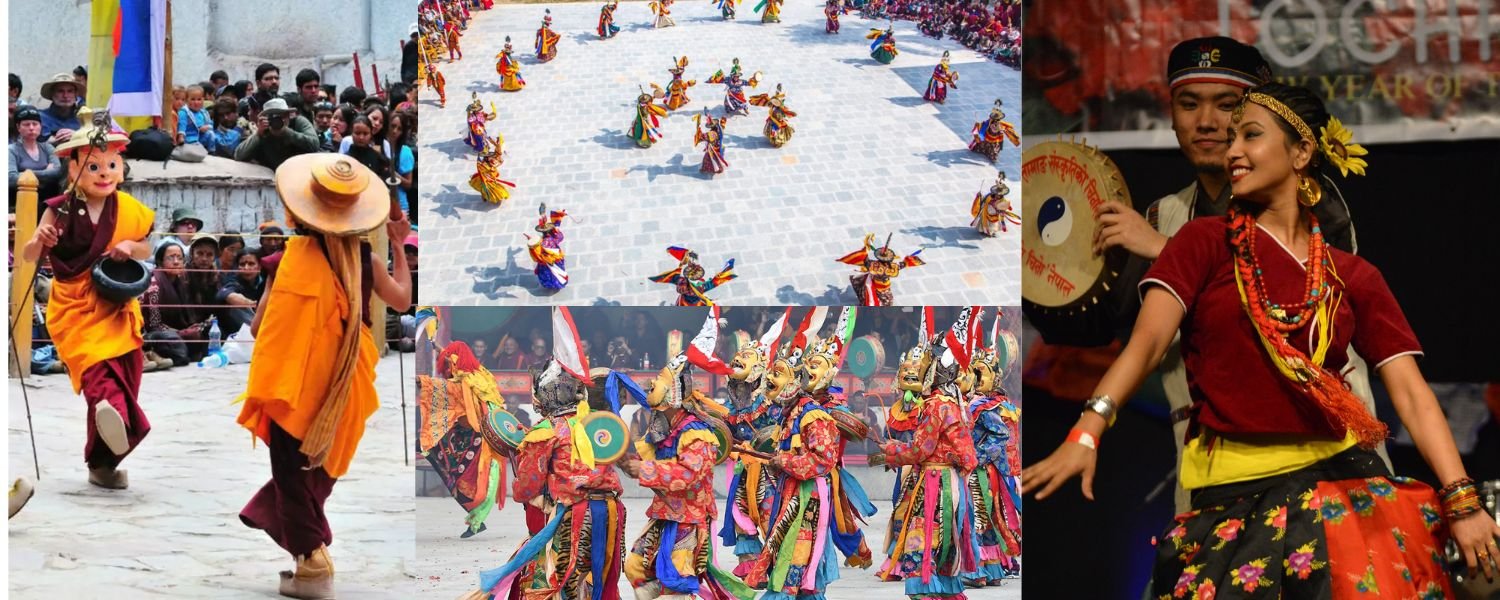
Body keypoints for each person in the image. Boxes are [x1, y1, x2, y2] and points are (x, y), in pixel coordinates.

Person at [1024, 82, 1500, 597]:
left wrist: (1463, 501)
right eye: (1232, 138)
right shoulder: (1200, 243)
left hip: (1342, 486)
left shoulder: (1353, 275)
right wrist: (1086, 431)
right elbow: (1145, 345)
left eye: (1250, 135)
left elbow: (1410, 393)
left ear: (1301, 152)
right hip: (1230, 497)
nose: (1232, 151)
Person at [237, 154, 412, 598]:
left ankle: (311, 564)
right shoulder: (365, 258)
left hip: (291, 385)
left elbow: (259, 329)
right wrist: (397, 243)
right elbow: (403, 301)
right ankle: (306, 554)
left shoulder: (286, 260)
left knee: (292, 473)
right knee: (309, 473)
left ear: (298, 212)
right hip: (344, 386)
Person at [20, 108, 153, 489]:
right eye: (94, 167)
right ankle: (108, 412)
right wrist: (39, 241)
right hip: (76, 306)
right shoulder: (59, 208)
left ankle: (102, 465)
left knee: (126, 376)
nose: (105, 173)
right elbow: (30, 255)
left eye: (112, 164)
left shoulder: (127, 207)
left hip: (118, 306)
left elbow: (147, 246)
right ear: (74, 166)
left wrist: (130, 245)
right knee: (97, 370)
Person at [615, 311, 753, 600]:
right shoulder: (664, 424)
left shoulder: (697, 433)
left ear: (674, 394)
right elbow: (645, 457)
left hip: (689, 518)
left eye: (659, 382)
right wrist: (622, 456)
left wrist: (644, 471)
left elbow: (688, 475)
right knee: (636, 568)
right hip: (665, 514)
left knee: (677, 579)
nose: (652, 386)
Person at [468, 357, 628, 600]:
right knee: (598, 582)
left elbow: (526, 488)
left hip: (577, 516)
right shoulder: (593, 421)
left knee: (563, 584)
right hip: (612, 512)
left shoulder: (546, 431)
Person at [746, 309, 875, 597]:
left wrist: (785, 460)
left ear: (795, 380)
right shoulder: (790, 412)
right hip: (792, 491)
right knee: (795, 561)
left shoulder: (812, 415)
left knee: (792, 560)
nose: (770, 379)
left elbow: (823, 459)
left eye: (777, 374)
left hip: (809, 498)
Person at [873, 312, 980, 599]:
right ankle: (944, 589)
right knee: (944, 540)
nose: (919, 367)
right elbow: (968, 455)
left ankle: (924, 589)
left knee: (922, 539)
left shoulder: (935, 406)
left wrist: (894, 453)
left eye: (925, 363)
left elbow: (921, 449)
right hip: (952, 482)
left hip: (935, 481)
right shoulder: (953, 405)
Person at [718, 309, 788, 572]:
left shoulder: (772, 405)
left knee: (772, 517)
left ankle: (777, 566)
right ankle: (750, 569)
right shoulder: (731, 405)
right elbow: (724, 434)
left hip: (769, 472)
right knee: (741, 518)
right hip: (742, 471)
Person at [418, 341, 511, 538]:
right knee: (470, 478)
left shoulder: (465, 383)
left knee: (474, 480)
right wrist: (438, 347)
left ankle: (476, 520)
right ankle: (476, 520)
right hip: (484, 433)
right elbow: (453, 359)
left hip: (480, 438)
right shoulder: (481, 373)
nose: (449, 368)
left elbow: (447, 387)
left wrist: (422, 381)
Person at [962, 311, 1021, 585]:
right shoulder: (977, 404)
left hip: (981, 472)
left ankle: (980, 571)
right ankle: (991, 571)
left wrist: (977, 457)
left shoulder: (986, 408)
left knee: (978, 518)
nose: (974, 377)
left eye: (979, 373)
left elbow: (1000, 435)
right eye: (971, 372)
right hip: (981, 471)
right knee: (983, 519)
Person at [836, 233, 924, 306]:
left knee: (868, 295)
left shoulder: (873, 265)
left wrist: (866, 248)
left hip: (875, 283)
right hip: (885, 287)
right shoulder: (893, 267)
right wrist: (909, 260)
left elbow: (865, 260)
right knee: (887, 301)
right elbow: (903, 264)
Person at [235, 98, 320, 170]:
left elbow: (315, 144)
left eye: (282, 116)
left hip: (300, 171)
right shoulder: (263, 132)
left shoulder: (298, 122)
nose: (278, 120)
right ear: (266, 118)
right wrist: (258, 134)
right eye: (273, 117)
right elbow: (238, 155)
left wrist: (287, 132)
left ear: (288, 115)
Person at [9, 107, 63, 209]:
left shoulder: (47, 147)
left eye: (35, 124)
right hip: (19, 202)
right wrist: (45, 172)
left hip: (47, 200)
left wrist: (25, 173)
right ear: (18, 127)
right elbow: (11, 178)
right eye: (26, 124)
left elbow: (57, 172)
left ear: (40, 126)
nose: (31, 128)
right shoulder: (11, 150)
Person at [648, 247, 737, 306]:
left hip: (689, 302)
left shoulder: (686, 282)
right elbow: (715, 282)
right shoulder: (697, 285)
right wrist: (727, 270)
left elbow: (714, 282)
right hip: (690, 302)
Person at [216, 248, 265, 336]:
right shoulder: (234, 281)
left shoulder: (265, 283)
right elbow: (223, 293)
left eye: (251, 264)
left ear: (259, 266)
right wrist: (250, 303)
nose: (246, 268)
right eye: (242, 264)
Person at [524, 205, 567, 290]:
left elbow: (538, 253)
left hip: (548, 260)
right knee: (556, 272)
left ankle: (552, 284)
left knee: (550, 273)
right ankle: (557, 284)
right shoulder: (554, 237)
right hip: (555, 259)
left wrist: (532, 241)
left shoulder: (543, 241)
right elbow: (557, 228)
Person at [37, 73, 85, 144]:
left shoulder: (85, 117)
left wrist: (77, 136)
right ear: (52, 94)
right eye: (60, 91)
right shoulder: (39, 117)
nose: (65, 96)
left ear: (76, 94)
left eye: (70, 91)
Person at [967, 99, 1018, 164]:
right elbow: (984, 125)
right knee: (984, 143)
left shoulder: (1000, 124)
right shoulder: (989, 122)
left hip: (995, 138)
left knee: (993, 148)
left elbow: (1000, 129)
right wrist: (978, 125)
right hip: (988, 135)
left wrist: (1002, 130)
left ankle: (991, 155)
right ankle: (984, 150)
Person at [470, 134, 516, 205]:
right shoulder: (482, 161)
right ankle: (487, 196)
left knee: (489, 188)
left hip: (490, 175)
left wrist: (497, 144)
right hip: (486, 178)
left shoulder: (490, 156)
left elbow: (498, 154)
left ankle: (487, 195)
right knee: (488, 188)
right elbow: (482, 167)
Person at [971, 171, 1017, 237]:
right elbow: (983, 200)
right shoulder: (989, 197)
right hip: (986, 213)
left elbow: (1005, 207)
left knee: (993, 225)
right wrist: (980, 196)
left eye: (999, 195)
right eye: (997, 194)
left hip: (995, 215)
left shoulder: (1003, 200)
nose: (998, 196)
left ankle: (991, 232)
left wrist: (1002, 211)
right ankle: (983, 230)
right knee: (985, 223)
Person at [176, 86, 215, 152]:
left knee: (211, 134)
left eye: (199, 99)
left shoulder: (204, 112)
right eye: (193, 99)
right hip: (190, 138)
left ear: (203, 100)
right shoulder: (184, 112)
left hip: (201, 137)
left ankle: (211, 152)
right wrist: (181, 137)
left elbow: (211, 124)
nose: (196, 102)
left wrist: (207, 127)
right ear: (186, 100)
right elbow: (182, 125)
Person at [693, 110, 729, 176]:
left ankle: (709, 168)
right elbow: (722, 125)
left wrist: (698, 132)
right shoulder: (719, 128)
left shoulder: (712, 133)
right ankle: (714, 168)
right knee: (712, 159)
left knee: (708, 158)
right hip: (717, 146)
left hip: (713, 149)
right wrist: (723, 120)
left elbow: (703, 136)